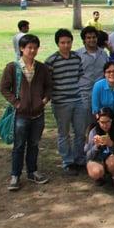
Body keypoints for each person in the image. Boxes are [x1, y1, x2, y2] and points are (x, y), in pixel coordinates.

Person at [0, 34, 52, 191]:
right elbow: (4, 88)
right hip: (21, 115)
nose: (32, 50)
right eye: (29, 47)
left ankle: (32, 171)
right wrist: (16, 103)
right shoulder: (12, 67)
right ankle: (15, 175)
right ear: (21, 48)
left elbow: (49, 86)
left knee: (34, 144)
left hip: (38, 114)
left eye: (35, 47)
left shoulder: (41, 67)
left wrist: (44, 100)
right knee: (19, 145)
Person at [45, 29, 86, 175]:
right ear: (58, 43)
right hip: (60, 102)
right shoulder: (51, 61)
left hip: (77, 100)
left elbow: (79, 76)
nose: (66, 45)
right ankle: (67, 162)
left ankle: (79, 159)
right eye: (63, 43)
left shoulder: (76, 57)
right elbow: (47, 83)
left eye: (68, 42)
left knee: (80, 132)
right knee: (64, 133)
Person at [85, 107, 114, 189]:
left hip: (113, 158)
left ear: (112, 120)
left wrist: (111, 144)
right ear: (98, 121)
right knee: (96, 172)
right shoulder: (93, 131)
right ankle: (100, 178)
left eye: (108, 122)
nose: (105, 125)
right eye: (102, 122)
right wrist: (96, 146)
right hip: (98, 159)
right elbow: (88, 156)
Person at [77, 26, 109, 127]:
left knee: (101, 124)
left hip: (102, 95)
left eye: (94, 37)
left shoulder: (103, 54)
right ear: (84, 40)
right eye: (88, 37)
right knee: (86, 126)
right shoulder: (77, 55)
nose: (92, 40)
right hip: (84, 95)